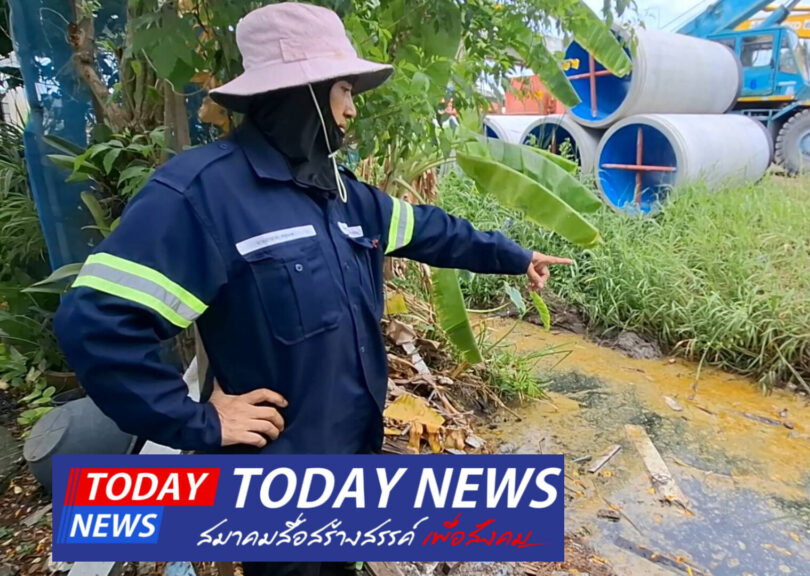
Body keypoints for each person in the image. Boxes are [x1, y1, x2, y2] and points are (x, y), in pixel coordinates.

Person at [53, 3, 570, 574]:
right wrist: (198, 421)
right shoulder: (202, 196)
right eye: (343, 89)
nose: (352, 108)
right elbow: (95, 324)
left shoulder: (341, 195)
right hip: (274, 495)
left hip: (351, 468)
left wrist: (514, 256)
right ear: (300, 92)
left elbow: (429, 230)